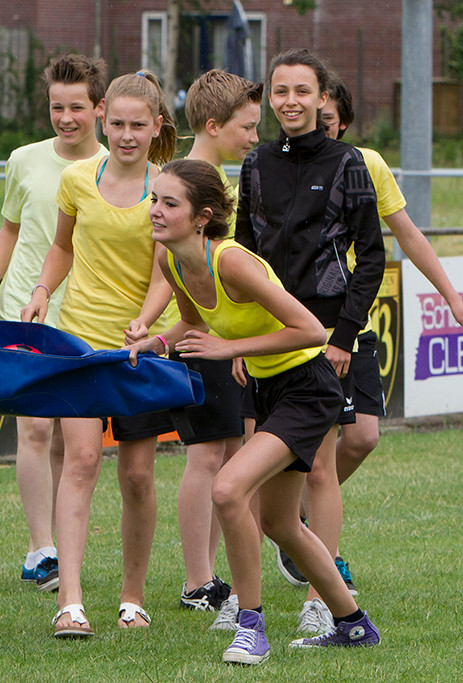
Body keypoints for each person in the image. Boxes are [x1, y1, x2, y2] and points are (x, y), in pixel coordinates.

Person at [130, 158, 380, 665]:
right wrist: (157, 342)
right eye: (154, 199)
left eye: (169, 203)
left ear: (201, 218)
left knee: (227, 489)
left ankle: (251, 627)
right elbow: (193, 322)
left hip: (308, 387)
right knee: (281, 524)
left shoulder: (231, 261)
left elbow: (311, 330)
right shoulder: (171, 260)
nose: (155, 210)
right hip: (267, 389)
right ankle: (355, 625)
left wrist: (231, 349)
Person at [277, 75, 463, 616]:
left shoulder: (364, 164)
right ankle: (319, 565)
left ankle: (298, 524)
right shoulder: (275, 165)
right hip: (303, 334)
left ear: (341, 122)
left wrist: (452, 297)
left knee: (364, 437)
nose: (314, 124)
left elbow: (406, 235)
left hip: (353, 327)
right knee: (318, 462)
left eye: (326, 119)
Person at [233, 48, 386, 635]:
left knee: (320, 468)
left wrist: (343, 337)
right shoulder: (255, 164)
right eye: (281, 91)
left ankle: (321, 600)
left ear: (324, 98)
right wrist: (244, 342)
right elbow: (242, 258)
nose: (291, 101)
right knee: (249, 471)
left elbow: (371, 257)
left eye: (302, 91)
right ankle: (241, 598)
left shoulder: (349, 163)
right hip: (265, 340)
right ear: (269, 98)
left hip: (323, 339)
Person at [22, 69, 177, 637]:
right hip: (81, 342)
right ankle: (70, 601)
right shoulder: (77, 180)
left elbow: (166, 273)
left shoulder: (168, 187)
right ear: (103, 120)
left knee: (136, 476)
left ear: (156, 126)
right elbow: (61, 247)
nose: (127, 135)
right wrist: (43, 290)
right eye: (118, 124)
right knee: (81, 461)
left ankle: (132, 599)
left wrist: (146, 322)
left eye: (139, 125)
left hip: (140, 351)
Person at [0, 53, 108, 592]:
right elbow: (9, 228)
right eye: (57, 107)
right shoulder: (23, 159)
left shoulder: (113, 166)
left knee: (69, 442)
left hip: (84, 315)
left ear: (99, 108)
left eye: (77, 107)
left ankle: (60, 543)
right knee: (32, 427)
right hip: (23, 312)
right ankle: (39, 549)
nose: (66, 118)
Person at [172, 69, 262, 623]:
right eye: (246, 127)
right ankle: (197, 580)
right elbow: (166, 265)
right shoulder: (194, 182)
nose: (254, 137)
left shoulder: (216, 177)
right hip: (199, 337)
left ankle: (209, 576)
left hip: (220, 338)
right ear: (213, 124)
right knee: (207, 456)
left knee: (228, 455)